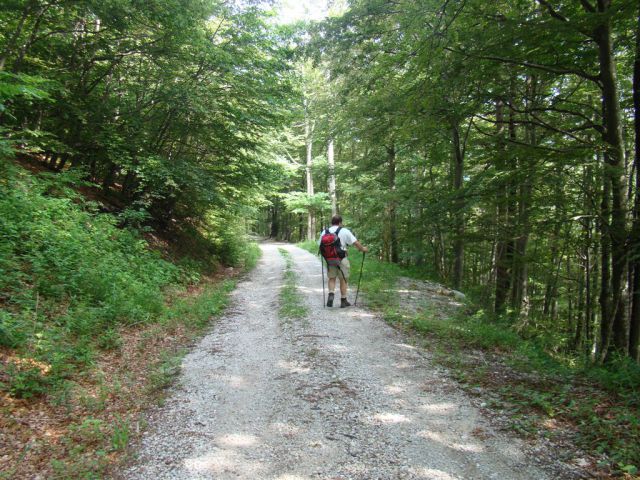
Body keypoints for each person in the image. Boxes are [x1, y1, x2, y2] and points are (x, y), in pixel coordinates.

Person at [319, 215, 368, 308]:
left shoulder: (325, 232)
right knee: (343, 279)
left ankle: (331, 294)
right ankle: (343, 300)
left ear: (331, 222)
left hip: (330, 259)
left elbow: (320, 245)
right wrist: (363, 249)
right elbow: (355, 243)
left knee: (332, 278)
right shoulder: (344, 231)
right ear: (340, 222)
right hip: (342, 259)